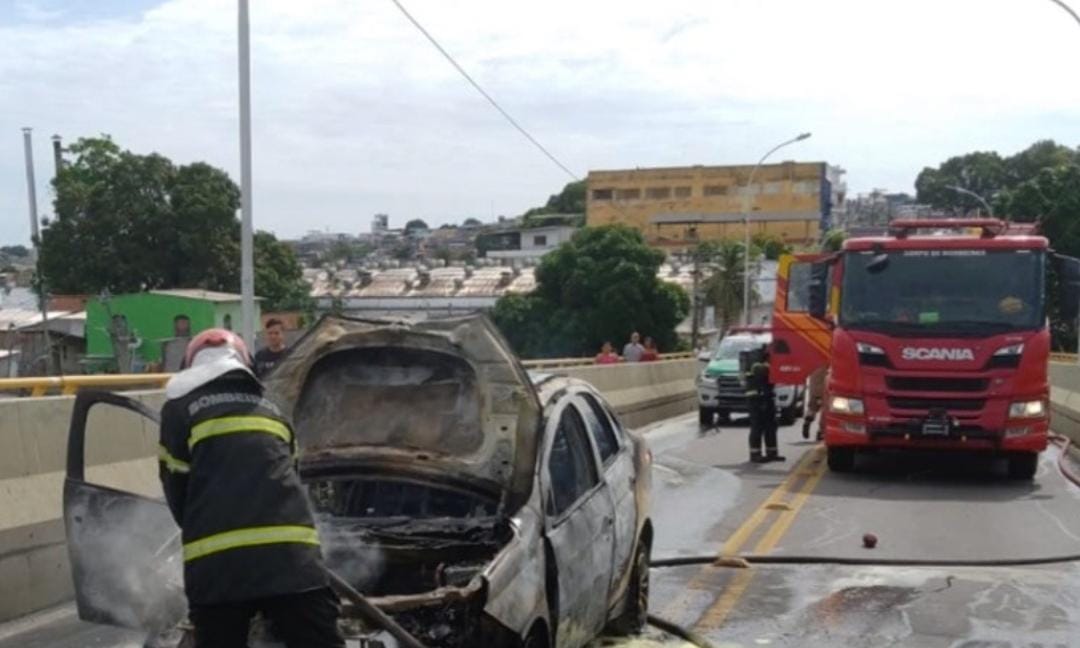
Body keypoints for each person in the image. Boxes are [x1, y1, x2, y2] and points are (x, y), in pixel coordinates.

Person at [158, 329, 344, 648]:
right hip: (293, 563)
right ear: (247, 364)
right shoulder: (274, 408)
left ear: (189, 366)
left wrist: (202, 526)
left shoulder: (179, 410)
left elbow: (177, 489)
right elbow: (292, 477)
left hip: (219, 570)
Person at [743, 344, 784, 464]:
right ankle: (755, 454)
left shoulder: (767, 358)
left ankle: (772, 453)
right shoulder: (755, 358)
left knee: (771, 425)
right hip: (756, 397)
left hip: (767, 395)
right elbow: (759, 371)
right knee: (758, 425)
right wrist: (773, 366)